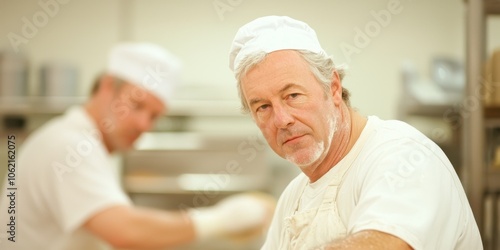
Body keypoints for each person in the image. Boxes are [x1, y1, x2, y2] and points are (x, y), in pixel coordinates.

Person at [228, 16, 483, 250]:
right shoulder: (293, 197)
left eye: (293, 95)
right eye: (263, 107)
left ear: (334, 88)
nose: (282, 120)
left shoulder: (403, 156)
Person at [0, 42, 274, 250]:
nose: (144, 124)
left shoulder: (87, 146)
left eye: (154, 115)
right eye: (137, 105)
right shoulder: (69, 146)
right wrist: (222, 220)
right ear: (108, 86)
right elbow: (126, 231)